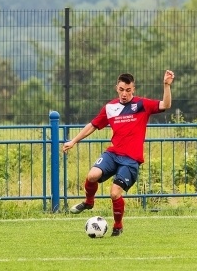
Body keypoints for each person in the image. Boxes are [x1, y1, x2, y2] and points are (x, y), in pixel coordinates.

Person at [63, 71, 175, 236]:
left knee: (115, 193)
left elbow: (165, 105)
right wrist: (73, 141)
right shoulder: (110, 108)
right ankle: (89, 202)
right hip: (113, 154)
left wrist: (166, 85)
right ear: (117, 88)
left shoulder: (142, 105)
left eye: (128, 90)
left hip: (130, 160)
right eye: (121, 89)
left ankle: (118, 225)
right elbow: (93, 125)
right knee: (92, 175)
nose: (124, 93)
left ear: (133, 89)